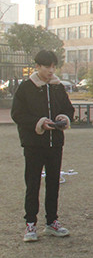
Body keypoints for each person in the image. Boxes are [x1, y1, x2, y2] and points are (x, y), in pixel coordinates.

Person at [12, 50, 74, 242]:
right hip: (33, 144)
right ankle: (30, 224)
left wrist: (63, 118)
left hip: (55, 143)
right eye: (47, 66)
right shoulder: (26, 88)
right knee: (32, 183)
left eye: (53, 66)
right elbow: (18, 114)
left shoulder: (57, 87)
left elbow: (68, 109)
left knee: (54, 182)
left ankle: (52, 222)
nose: (51, 70)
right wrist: (39, 122)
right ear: (37, 66)